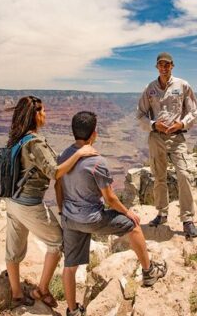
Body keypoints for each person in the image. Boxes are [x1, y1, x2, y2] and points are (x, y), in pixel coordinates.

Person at [56, 111, 167, 316]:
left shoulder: (63, 156)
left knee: (70, 266)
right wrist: (127, 212)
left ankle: (72, 311)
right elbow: (110, 199)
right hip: (92, 219)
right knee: (133, 226)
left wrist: (62, 210)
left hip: (70, 219)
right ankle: (149, 272)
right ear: (94, 134)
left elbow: (58, 184)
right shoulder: (97, 162)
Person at [4, 96, 97, 309]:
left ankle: (17, 295)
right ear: (35, 115)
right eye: (43, 111)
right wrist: (80, 153)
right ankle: (42, 289)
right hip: (28, 204)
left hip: (11, 201)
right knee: (56, 242)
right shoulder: (34, 142)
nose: (45, 115)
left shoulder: (17, 138)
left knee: (13, 250)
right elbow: (55, 172)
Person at [136, 52, 197, 238]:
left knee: (184, 174)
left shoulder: (183, 85)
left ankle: (187, 220)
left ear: (173, 65)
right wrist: (154, 124)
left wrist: (182, 123)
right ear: (156, 66)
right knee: (159, 177)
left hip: (177, 138)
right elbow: (140, 114)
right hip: (156, 137)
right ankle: (162, 213)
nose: (164, 67)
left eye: (167, 64)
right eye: (160, 64)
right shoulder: (150, 88)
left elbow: (193, 110)